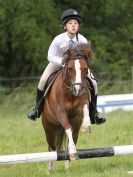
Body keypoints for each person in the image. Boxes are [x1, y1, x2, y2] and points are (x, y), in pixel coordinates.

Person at [27, 9, 106, 124]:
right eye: (70, 23)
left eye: (76, 23)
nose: (73, 26)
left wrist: (84, 64)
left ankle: (94, 113)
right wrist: (62, 62)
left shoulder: (82, 40)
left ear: (78, 26)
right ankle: (37, 109)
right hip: (58, 63)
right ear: (65, 26)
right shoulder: (58, 39)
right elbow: (50, 55)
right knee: (43, 80)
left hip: (76, 67)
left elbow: (87, 57)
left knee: (94, 83)